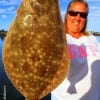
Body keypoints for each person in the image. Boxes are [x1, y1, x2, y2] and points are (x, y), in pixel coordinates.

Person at [51, 0, 100, 100]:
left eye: (83, 15)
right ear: (67, 15)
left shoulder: (92, 38)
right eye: (73, 13)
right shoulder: (56, 38)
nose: (78, 18)